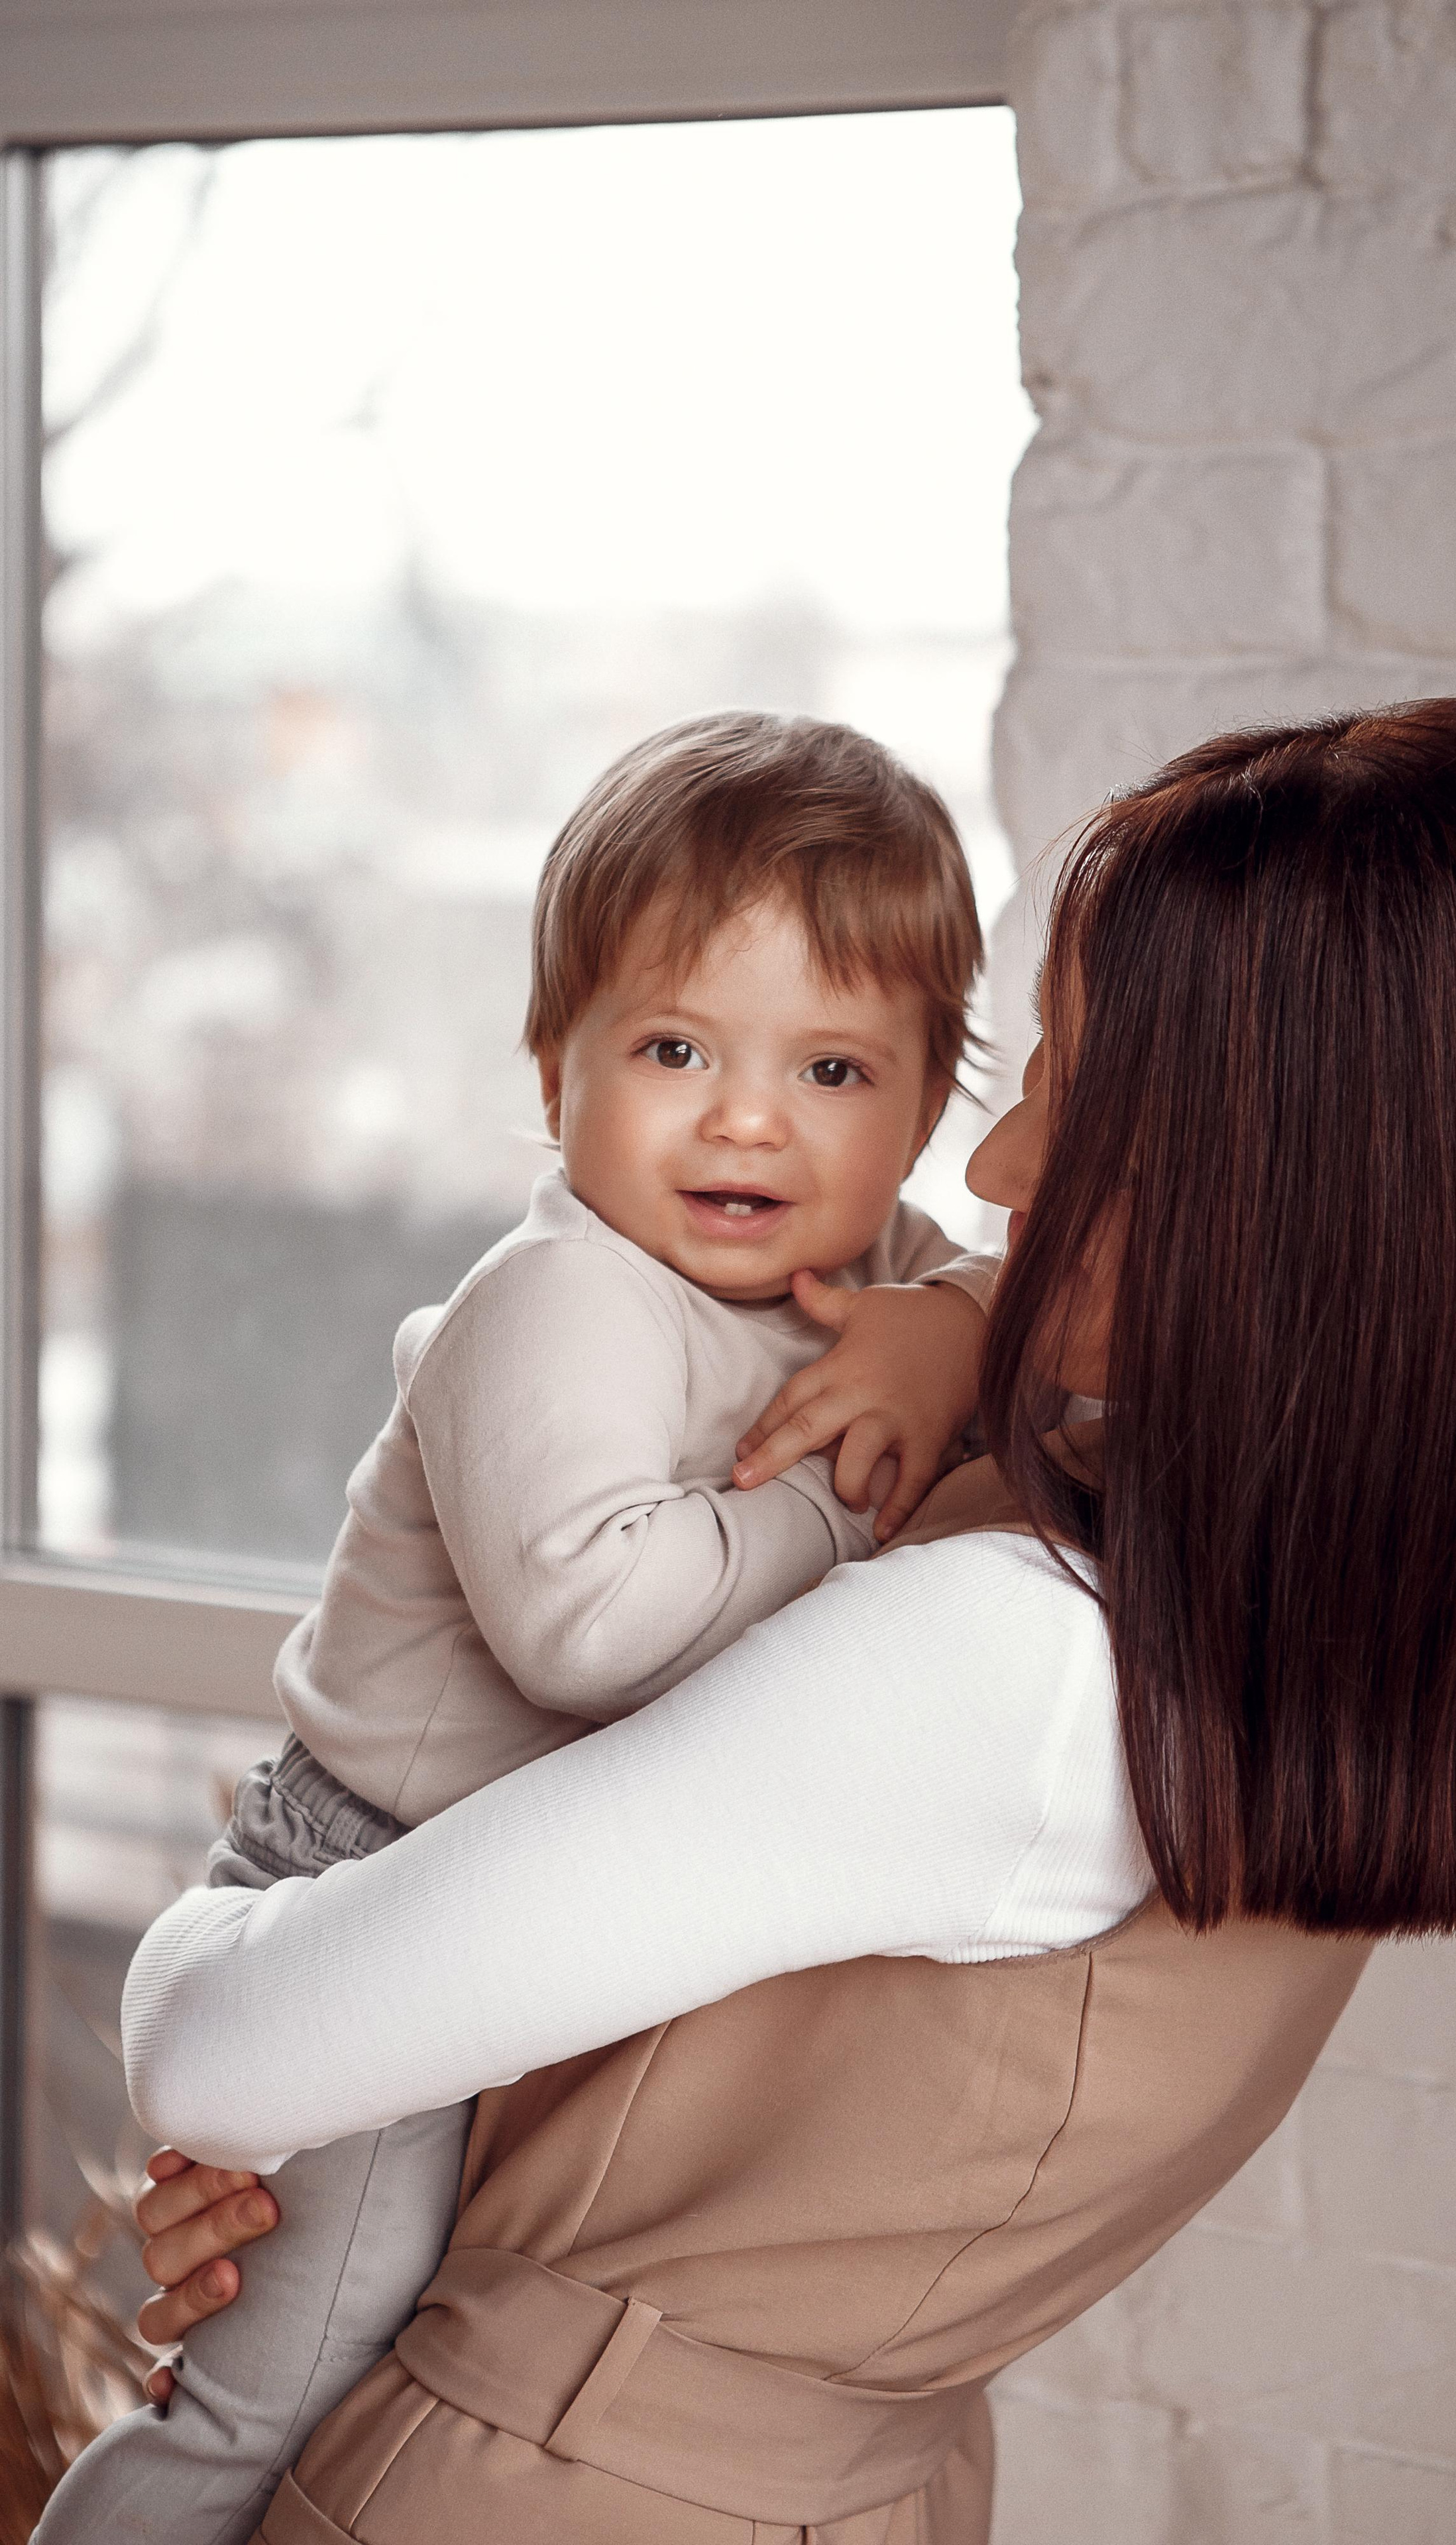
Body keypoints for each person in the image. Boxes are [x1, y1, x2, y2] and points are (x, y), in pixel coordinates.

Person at [109, 702, 1456, 2542]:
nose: (998, 1173)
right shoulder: (1320, 1626)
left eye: (1068, 1104)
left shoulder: (1007, 1672)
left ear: (1294, 1208)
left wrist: (205, 1965)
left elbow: (222, 2054)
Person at [34, 711, 1000, 2545]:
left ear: (928, 1097)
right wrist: (841, 1496)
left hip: (544, 1909)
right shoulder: (561, 1299)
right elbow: (594, 1630)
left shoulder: (877, 1281)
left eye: (833, 1070)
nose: (746, 1116)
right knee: (276, 2380)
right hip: (371, 1888)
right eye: (671, 1047)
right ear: (553, 1070)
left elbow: (995, 1300)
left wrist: (950, 1335)